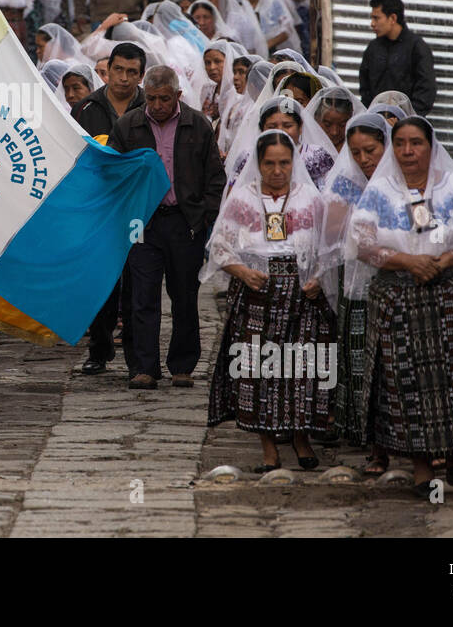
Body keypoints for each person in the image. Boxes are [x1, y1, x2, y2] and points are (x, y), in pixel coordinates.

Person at [348, 116, 453, 495]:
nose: (407, 151)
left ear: (430, 147)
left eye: (415, 143)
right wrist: (409, 262)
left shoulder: (450, 185)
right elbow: (362, 242)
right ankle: (420, 467)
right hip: (399, 299)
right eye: (399, 143)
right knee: (405, 382)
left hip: (450, 295)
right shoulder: (381, 191)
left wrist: (442, 261)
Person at [204, 129, 334, 472]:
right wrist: (244, 273)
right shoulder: (243, 200)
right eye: (270, 163)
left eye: (285, 163)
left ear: (294, 163)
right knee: (259, 368)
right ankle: (268, 450)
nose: (278, 170)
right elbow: (219, 246)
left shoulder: (310, 199)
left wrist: (318, 279)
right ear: (258, 164)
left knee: (300, 367)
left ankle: (301, 438)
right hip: (256, 293)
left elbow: (327, 247)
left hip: (301, 295)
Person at [108, 65, 225, 389]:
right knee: (141, 295)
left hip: (184, 221)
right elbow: (113, 174)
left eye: (164, 99)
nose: (157, 105)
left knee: (185, 295)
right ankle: (143, 367)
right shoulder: (129, 125)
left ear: (178, 95)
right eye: (153, 98)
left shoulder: (197, 125)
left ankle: (183, 365)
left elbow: (215, 177)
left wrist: (204, 216)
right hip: (140, 222)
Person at [72, 41, 146, 373]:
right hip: (98, 211)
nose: (124, 78)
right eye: (118, 69)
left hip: (136, 211)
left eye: (132, 72)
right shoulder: (88, 108)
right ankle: (98, 351)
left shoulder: (150, 107)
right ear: (108, 69)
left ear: (141, 75)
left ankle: (136, 357)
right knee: (100, 283)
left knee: (136, 285)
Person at [320, 112, 390, 460]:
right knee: (357, 352)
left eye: (371, 151)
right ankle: (357, 427)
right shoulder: (345, 182)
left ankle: (387, 435)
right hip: (357, 281)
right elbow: (330, 233)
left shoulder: (400, 180)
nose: (364, 160)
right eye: (357, 152)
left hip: (394, 283)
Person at [357, 0, 437, 115]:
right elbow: (365, 88)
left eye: (376, 18)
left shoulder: (416, 48)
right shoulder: (373, 49)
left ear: (393, 18)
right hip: (377, 125)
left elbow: (426, 90)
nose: (372, 24)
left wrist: (407, 119)